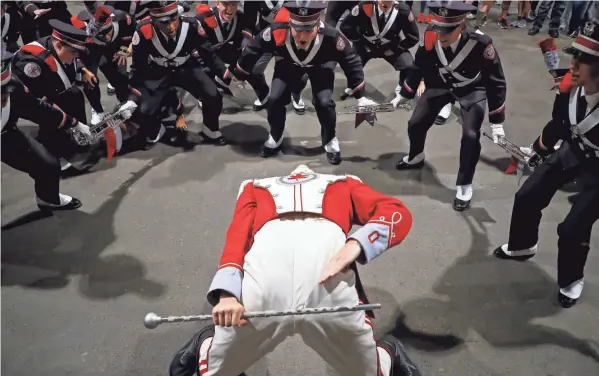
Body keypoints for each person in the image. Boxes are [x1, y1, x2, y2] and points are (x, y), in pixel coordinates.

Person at [169, 164, 420, 376]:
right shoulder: (254, 188)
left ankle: (388, 351)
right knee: (218, 369)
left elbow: (396, 212)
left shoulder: (344, 184)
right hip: (264, 288)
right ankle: (206, 344)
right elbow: (237, 239)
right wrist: (227, 295)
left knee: (367, 372)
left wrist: (358, 243)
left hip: (328, 288)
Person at [493, 21, 599, 309]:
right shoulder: (571, 87)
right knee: (527, 195)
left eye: (584, 61)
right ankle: (522, 245)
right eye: (574, 57)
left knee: (573, 228)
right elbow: (561, 124)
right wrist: (538, 150)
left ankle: (571, 280)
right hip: (573, 150)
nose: (573, 65)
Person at [394, 1, 507, 212]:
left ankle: (464, 184)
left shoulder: (480, 44)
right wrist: (405, 93)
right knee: (415, 123)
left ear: (462, 25)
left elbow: (496, 81)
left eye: (448, 30)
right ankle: (416, 156)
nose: (441, 35)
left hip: (471, 89)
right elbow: (419, 65)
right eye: (439, 29)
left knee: (471, 136)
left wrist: (496, 121)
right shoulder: (431, 35)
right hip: (440, 84)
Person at [229, 0, 371, 165]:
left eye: (308, 30)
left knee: (324, 103)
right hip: (288, 65)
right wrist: (239, 73)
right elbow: (254, 48)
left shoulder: (331, 36)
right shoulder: (276, 31)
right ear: (290, 24)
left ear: (318, 26)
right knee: (274, 99)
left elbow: (350, 60)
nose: (302, 35)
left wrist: (360, 94)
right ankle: (276, 135)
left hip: (320, 66)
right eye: (297, 30)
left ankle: (330, 139)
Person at [129, 0, 230, 146]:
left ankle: (210, 130)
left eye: (173, 19)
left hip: (186, 67)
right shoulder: (142, 31)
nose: (170, 26)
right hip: (158, 70)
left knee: (213, 95)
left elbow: (209, 55)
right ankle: (159, 129)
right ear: (153, 21)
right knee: (143, 108)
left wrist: (226, 74)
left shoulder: (192, 26)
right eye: (163, 22)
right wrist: (134, 94)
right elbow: (138, 66)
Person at [1, 50, 90, 211]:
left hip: (5, 134)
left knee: (48, 165)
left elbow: (38, 108)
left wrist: (74, 123)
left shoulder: (14, 87)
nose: (5, 96)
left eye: (5, 90)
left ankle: (47, 199)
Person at [195, 1, 270, 111]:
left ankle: (264, 95)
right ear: (217, 3)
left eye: (234, 3)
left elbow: (244, 39)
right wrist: (226, 74)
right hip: (203, 54)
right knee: (205, 73)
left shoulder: (240, 18)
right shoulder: (203, 19)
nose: (230, 8)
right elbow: (199, 50)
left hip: (221, 49)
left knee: (249, 63)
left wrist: (238, 67)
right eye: (225, 3)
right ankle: (204, 95)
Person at [339, 0, 420, 101]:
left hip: (389, 46)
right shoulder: (364, 6)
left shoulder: (403, 11)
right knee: (352, 64)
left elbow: (414, 37)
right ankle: (353, 85)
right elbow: (346, 26)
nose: (384, 3)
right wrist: (359, 41)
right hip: (366, 45)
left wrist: (396, 48)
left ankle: (401, 86)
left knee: (408, 64)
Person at [72, 5, 137, 125]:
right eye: (102, 34)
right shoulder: (79, 28)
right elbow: (72, 52)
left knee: (121, 73)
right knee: (89, 80)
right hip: (89, 49)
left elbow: (134, 32)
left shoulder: (122, 18)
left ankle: (123, 102)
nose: (107, 36)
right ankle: (97, 110)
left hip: (115, 47)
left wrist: (124, 50)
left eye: (108, 31)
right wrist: (82, 68)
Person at [242, 0, 308, 114]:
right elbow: (248, 21)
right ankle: (263, 94)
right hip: (265, 35)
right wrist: (248, 41)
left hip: (290, 37)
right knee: (253, 68)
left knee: (300, 72)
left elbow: (306, 19)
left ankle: (296, 93)